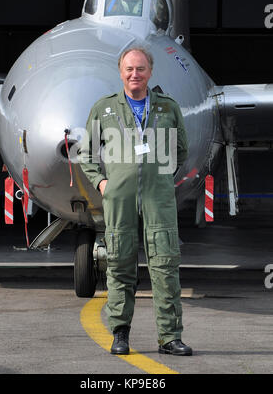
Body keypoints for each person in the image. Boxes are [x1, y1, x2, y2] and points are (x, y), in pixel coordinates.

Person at [78, 47, 192, 356]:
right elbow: (86, 153)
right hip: (119, 200)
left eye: (140, 68)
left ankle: (170, 337)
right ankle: (120, 334)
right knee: (119, 265)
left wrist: (160, 177)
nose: (134, 74)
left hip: (159, 199)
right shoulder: (104, 109)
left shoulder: (167, 109)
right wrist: (103, 182)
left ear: (150, 72)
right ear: (120, 72)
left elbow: (181, 149)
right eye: (129, 69)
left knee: (166, 265)